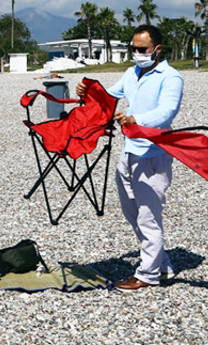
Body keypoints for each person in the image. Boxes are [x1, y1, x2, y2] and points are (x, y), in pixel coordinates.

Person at [75, 24, 183, 292]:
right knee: (131, 211)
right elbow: (109, 95)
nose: (136, 53)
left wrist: (136, 119)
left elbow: (167, 111)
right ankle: (162, 264)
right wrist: (87, 92)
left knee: (148, 215)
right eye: (132, 48)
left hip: (154, 154)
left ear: (157, 49)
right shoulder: (131, 73)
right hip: (129, 151)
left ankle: (147, 275)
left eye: (142, 49)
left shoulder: (171, 77)